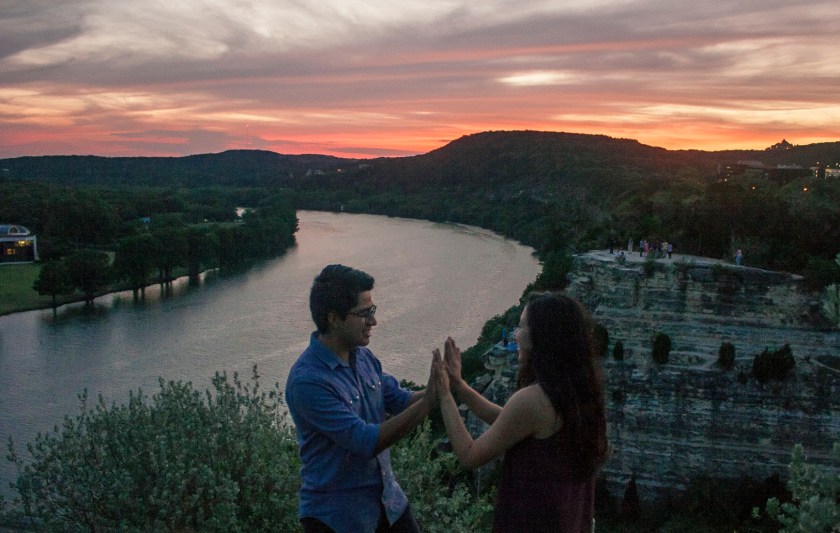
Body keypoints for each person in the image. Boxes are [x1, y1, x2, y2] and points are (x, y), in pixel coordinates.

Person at [432, 292, 608, 533]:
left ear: (541, 337)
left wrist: (444, 395)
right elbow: (509, 422)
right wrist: (460, 386)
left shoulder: (533, 400)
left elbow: (469, 456)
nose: (516, 334)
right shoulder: (578, 392)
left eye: (522, 326)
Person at [286, 264, 436, 533]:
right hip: (338, 518)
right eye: (364, 314)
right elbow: (366, 441)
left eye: (373, 311)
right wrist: (428, 403)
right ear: (333, 318)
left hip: (389, 504)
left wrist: (444, 386)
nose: (373, 321)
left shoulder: (364, 357)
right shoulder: (307, 382)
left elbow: (401, 400)